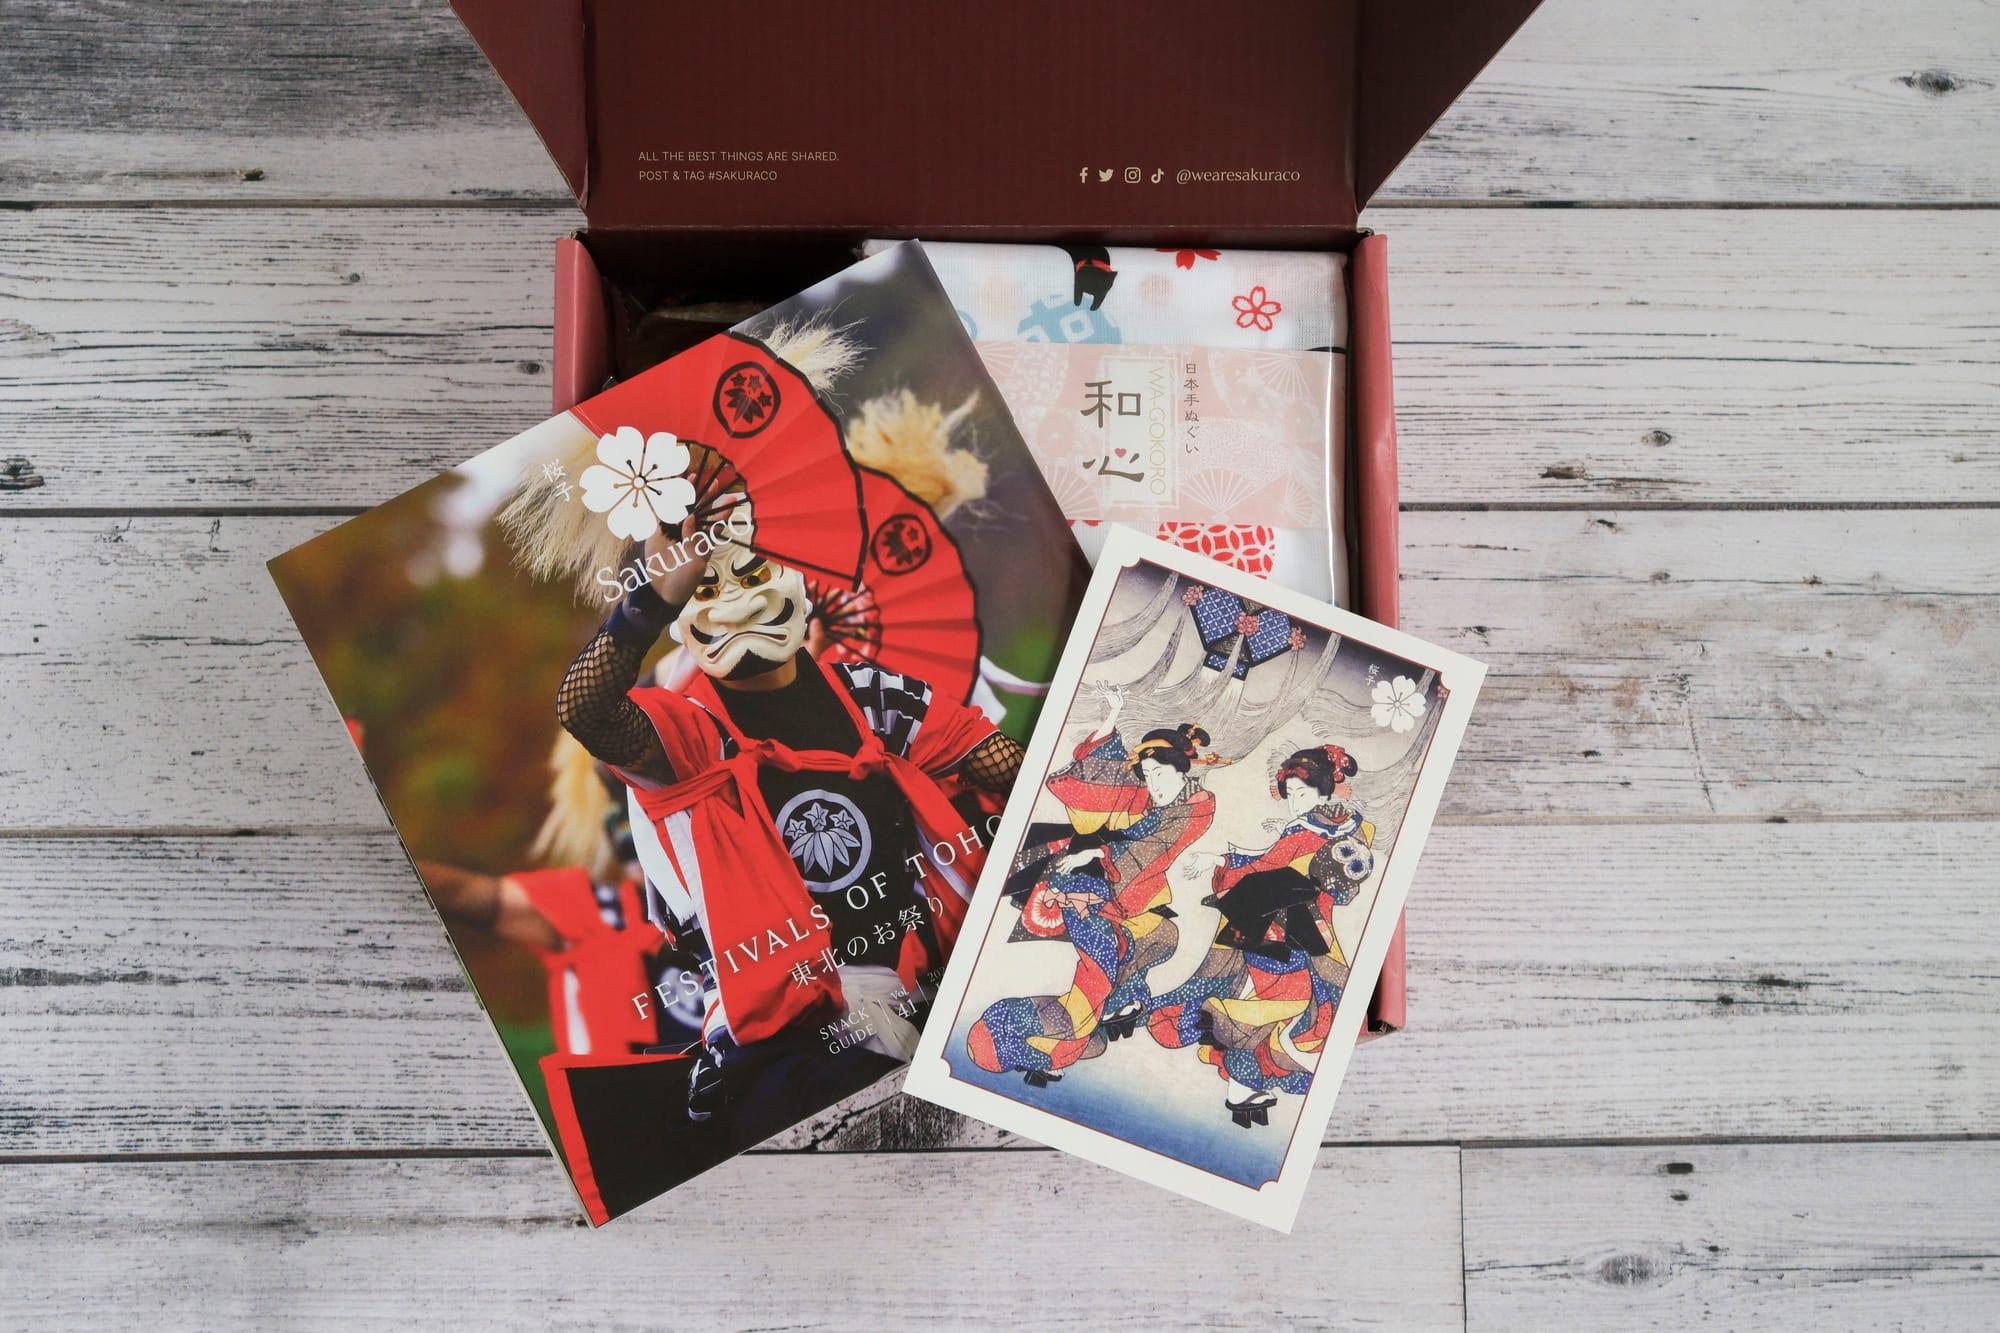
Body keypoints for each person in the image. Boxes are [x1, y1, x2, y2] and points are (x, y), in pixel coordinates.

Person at [555, 515, 1025, 1145]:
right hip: (775, 1041)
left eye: (752, 572)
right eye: (704, 587)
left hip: (908, 1008)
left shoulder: (871, 697)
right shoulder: (686, 736)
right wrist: (650, 599)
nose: (736, 601)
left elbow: (1014, 770)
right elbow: (585, 710)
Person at [967, 686, 1217, 1086]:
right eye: (1148, 774)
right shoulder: (1139, 795)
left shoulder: (1194, 807)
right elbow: (1102, 765)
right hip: (1084, 891)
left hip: (1130, 899)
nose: (1153, 783)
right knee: (1091, 994)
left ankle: (1091, 1021)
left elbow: (1151, 846)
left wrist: (1099, 850)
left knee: (1162, 938)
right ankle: (1008, 1039)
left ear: (1181, 771)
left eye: (1160, 773)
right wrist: (1112, 714)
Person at [1147, 744, 1375, 1128]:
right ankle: (1227, 1038)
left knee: (1288, 1009)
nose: (1294, 803)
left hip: (1285, 932)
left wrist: (1224, 865)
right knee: (1292, 1008)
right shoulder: (1348, 827)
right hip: (1284, 936)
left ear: (1323, 792)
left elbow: (1260, 869)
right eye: (1290, 795)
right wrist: (1224, 860)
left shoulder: (1309, 833)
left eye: (1301, 794)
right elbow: (1267, 866)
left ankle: (1237, 1073)